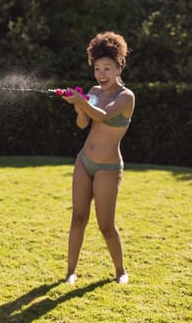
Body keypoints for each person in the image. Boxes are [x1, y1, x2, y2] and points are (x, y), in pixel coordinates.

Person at [61, 31, 135, 285]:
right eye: (97, 68)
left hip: (108, 167)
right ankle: (70, 271)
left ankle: (120, 270)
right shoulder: (94, 90)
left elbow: (102, 115)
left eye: (107, 68)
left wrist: (82, 100)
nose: (101, 74)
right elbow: (83, 124)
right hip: (84, 161)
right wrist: (79, 107)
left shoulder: (126, 97)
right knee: (78, 217)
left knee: (106, 225)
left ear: (119, 68)